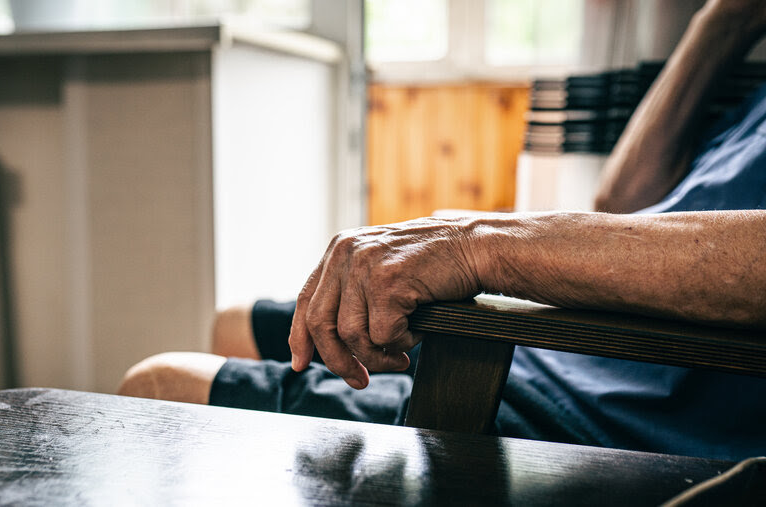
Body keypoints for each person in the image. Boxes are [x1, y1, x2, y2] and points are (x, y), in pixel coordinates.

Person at [119, 0, 766, 461]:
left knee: (156, 386)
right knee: (230, 322)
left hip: (624, 413)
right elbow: (627, 199)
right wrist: (724, 18)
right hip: (571, 357)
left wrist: (476, 245)